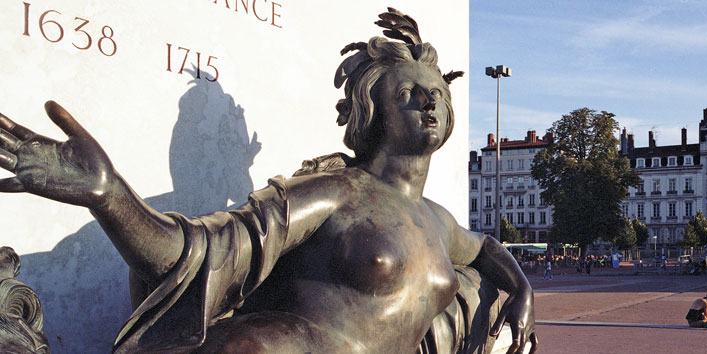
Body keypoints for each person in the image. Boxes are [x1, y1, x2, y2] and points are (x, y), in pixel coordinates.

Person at [0, 9, 537, 354]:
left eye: (438, 93)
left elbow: (485, 247)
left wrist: (523, 287)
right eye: (409, 93)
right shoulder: (337, 191)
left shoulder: (439, 222)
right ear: (372, 114)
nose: (431, 101)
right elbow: (209, 252)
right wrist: (110, 194)